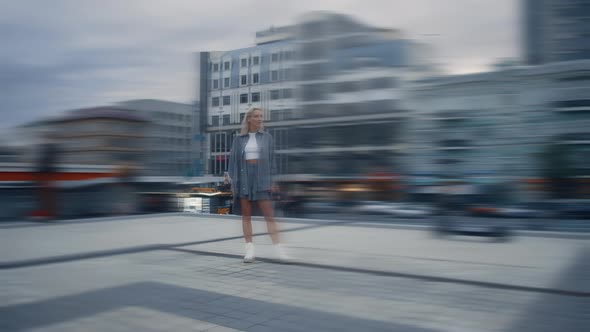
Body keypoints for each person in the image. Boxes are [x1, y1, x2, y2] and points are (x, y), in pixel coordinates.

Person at [228, 107, 290, 263]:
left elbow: (272, 160)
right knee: (246, 216)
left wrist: (273, 180)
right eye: (256, 116)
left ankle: (280, 251)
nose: (260, 119)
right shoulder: (238, 139)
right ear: (249, 119)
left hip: (262, 178)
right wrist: (233, 182)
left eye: (261, 116)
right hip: (244, 178)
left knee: (269, 216)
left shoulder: (267, 138)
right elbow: (233, 163)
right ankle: (249, 251)